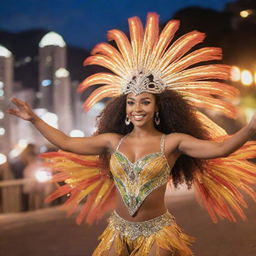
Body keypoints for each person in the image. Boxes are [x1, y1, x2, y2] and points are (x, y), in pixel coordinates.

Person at [7, 13, 256, 256]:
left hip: (158, 233)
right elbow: (67, 142)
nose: (137, 108)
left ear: (158, 107)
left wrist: (249, 129)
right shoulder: (112, 142)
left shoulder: (172, 142)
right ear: (124, 108)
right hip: (117, 230)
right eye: (131, 102)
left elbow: (219, 149)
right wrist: (35, 119)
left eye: (145, 102)